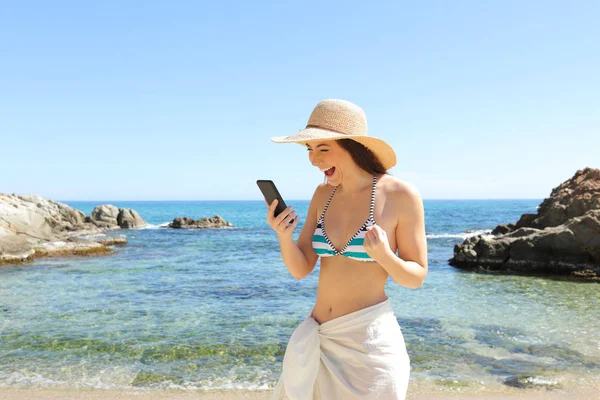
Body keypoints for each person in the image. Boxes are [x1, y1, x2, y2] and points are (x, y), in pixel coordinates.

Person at [266, 99, 428, 399]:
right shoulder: (323, 194)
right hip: (318, 338)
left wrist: (384, 257)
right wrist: (283, 236)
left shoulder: (400, 195)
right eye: (309, 150)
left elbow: (415, 278)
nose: (314, 160)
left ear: (353, 146)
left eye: (323, 149)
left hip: (368, 346)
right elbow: (301, 269)